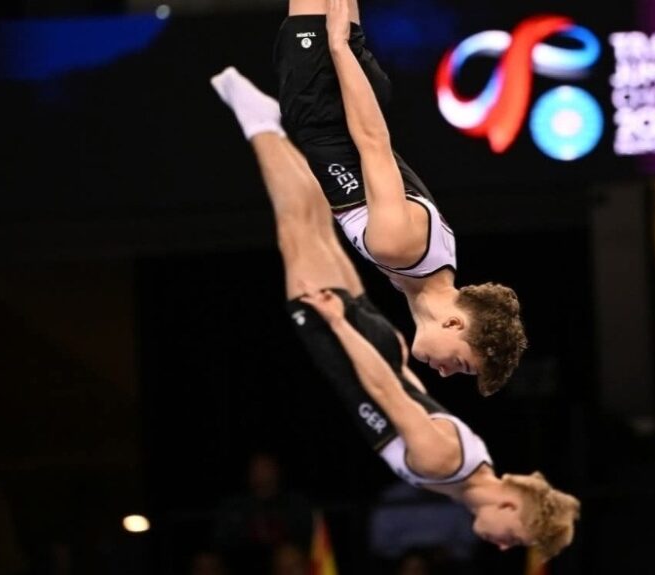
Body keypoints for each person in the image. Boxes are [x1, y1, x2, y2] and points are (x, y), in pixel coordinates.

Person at [208, 78, 580, 561]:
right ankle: (258, 121)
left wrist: (392, 355)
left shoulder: (472, 466)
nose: (505, 545)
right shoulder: (444, 463)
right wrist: (339, 325)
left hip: (372, 347)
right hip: (353, 347)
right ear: (511, 505)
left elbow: (409, 394)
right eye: (516, 536)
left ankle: (267, 123)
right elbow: (385, 392)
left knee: (311, 228)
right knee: (296, 228)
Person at [211, 0, 527, 396]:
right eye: (460, 364)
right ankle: (261, 119)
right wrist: (339, 47)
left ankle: (259, 120)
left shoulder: (431, 268)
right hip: (326, 94)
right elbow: (373, 142)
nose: (445, 373)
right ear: (454, 324)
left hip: (337, 95)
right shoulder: (400, 249)